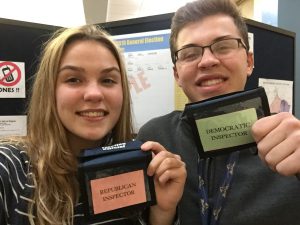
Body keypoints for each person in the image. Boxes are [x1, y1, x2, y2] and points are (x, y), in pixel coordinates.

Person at [0, 25, 186, 225]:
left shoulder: (138, 168)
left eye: (107, 80)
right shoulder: (9, 169)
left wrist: (161, 213)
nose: (94, 94)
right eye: (73, 79)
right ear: (49, 91)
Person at [137, 0, 300, 224]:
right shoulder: (154, 138)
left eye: (223, 46)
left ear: (249, 61)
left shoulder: (290, 144)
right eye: (190, 53)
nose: (207, 61)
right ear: (177, 75)